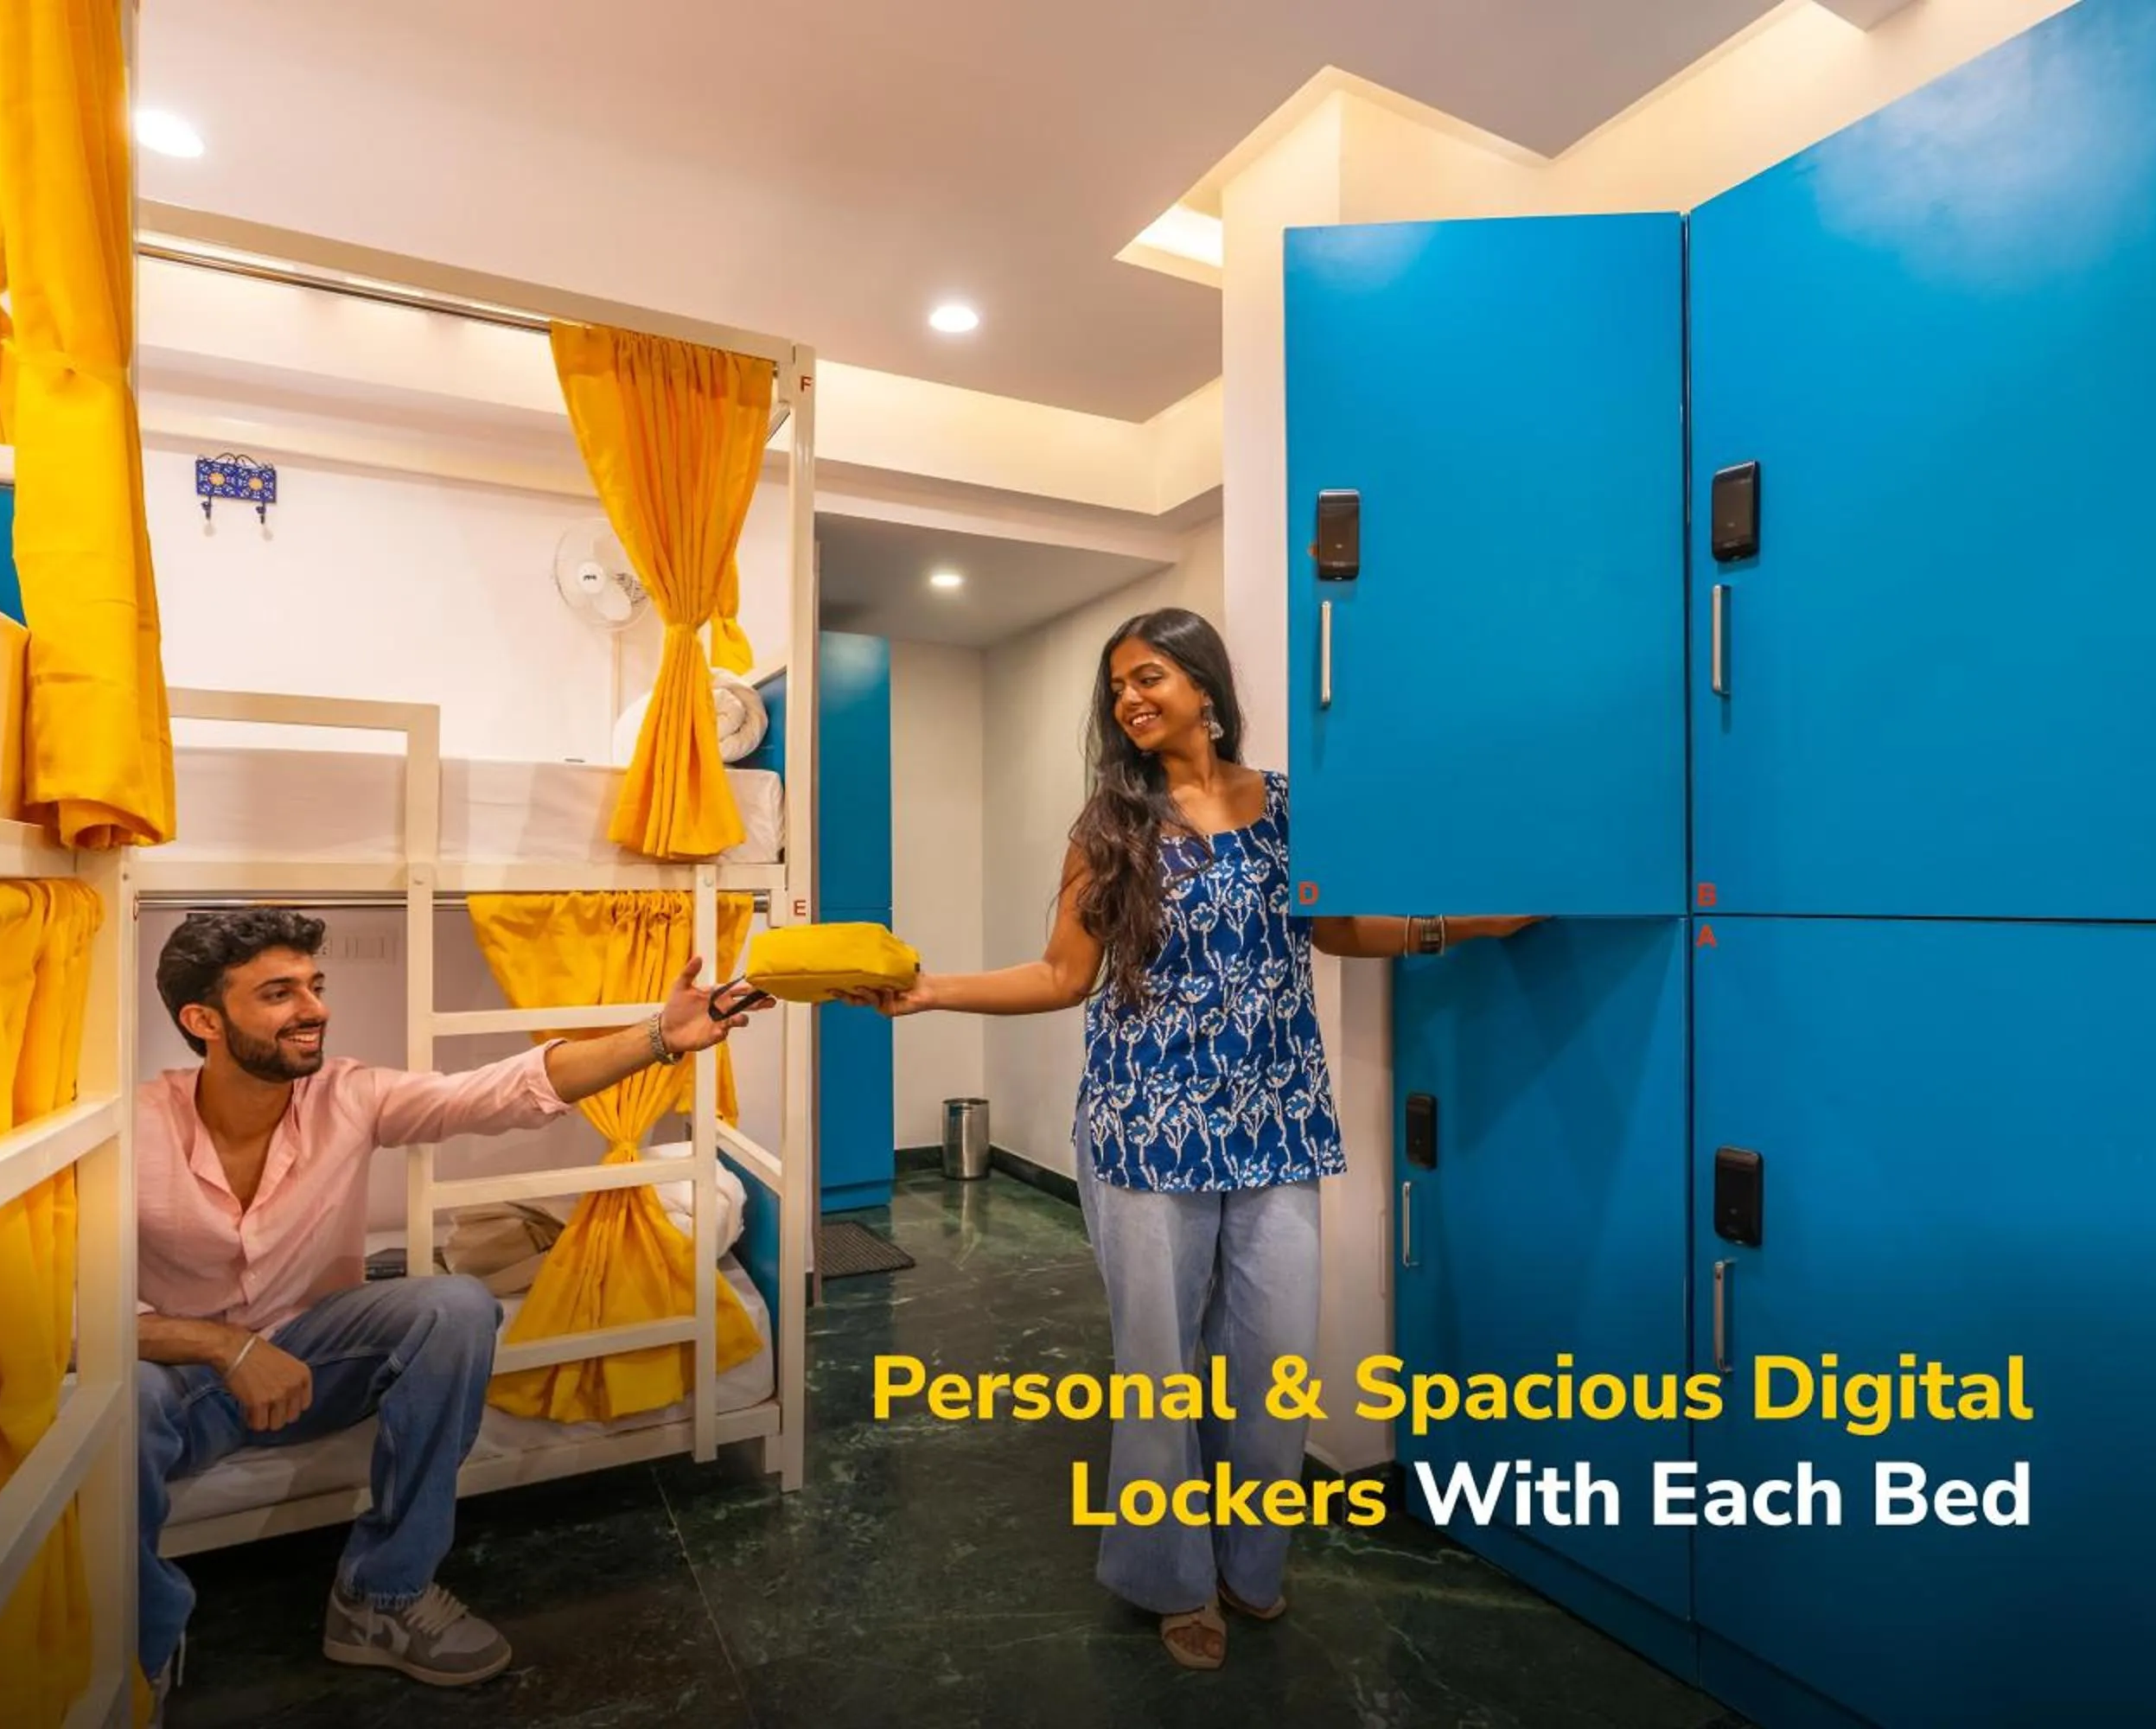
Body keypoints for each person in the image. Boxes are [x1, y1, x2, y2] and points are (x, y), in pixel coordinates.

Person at [849, 607, 1535, 1670]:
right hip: (1144, 1128)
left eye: (1149, 675)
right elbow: (1061, 974)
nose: (1129, 698)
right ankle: (1170, 1576)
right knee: (1162, 1370)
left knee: (1273, 1367)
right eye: (1117, 685)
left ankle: (1251, 1563)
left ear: (1205, 687)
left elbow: (1340, 928)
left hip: (1277, 1123)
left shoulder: (1291, 809)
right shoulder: (1109, 826)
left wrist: (1465, 926)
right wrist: (934, 988)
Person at [134, 908, 751, 1707]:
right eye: (278, 993)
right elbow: (55, 1318)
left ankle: (381, 1597)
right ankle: (136, 1635)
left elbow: (499, 1093)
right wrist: (225, 1348)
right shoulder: (133, 1128)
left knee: (455, 1307)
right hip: (182, 1376)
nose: (313, 1008)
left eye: (315, 986)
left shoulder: (346, 1096)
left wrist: (659, 1038)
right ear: (202, 1020)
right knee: (128, 1396)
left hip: (315, 1357)